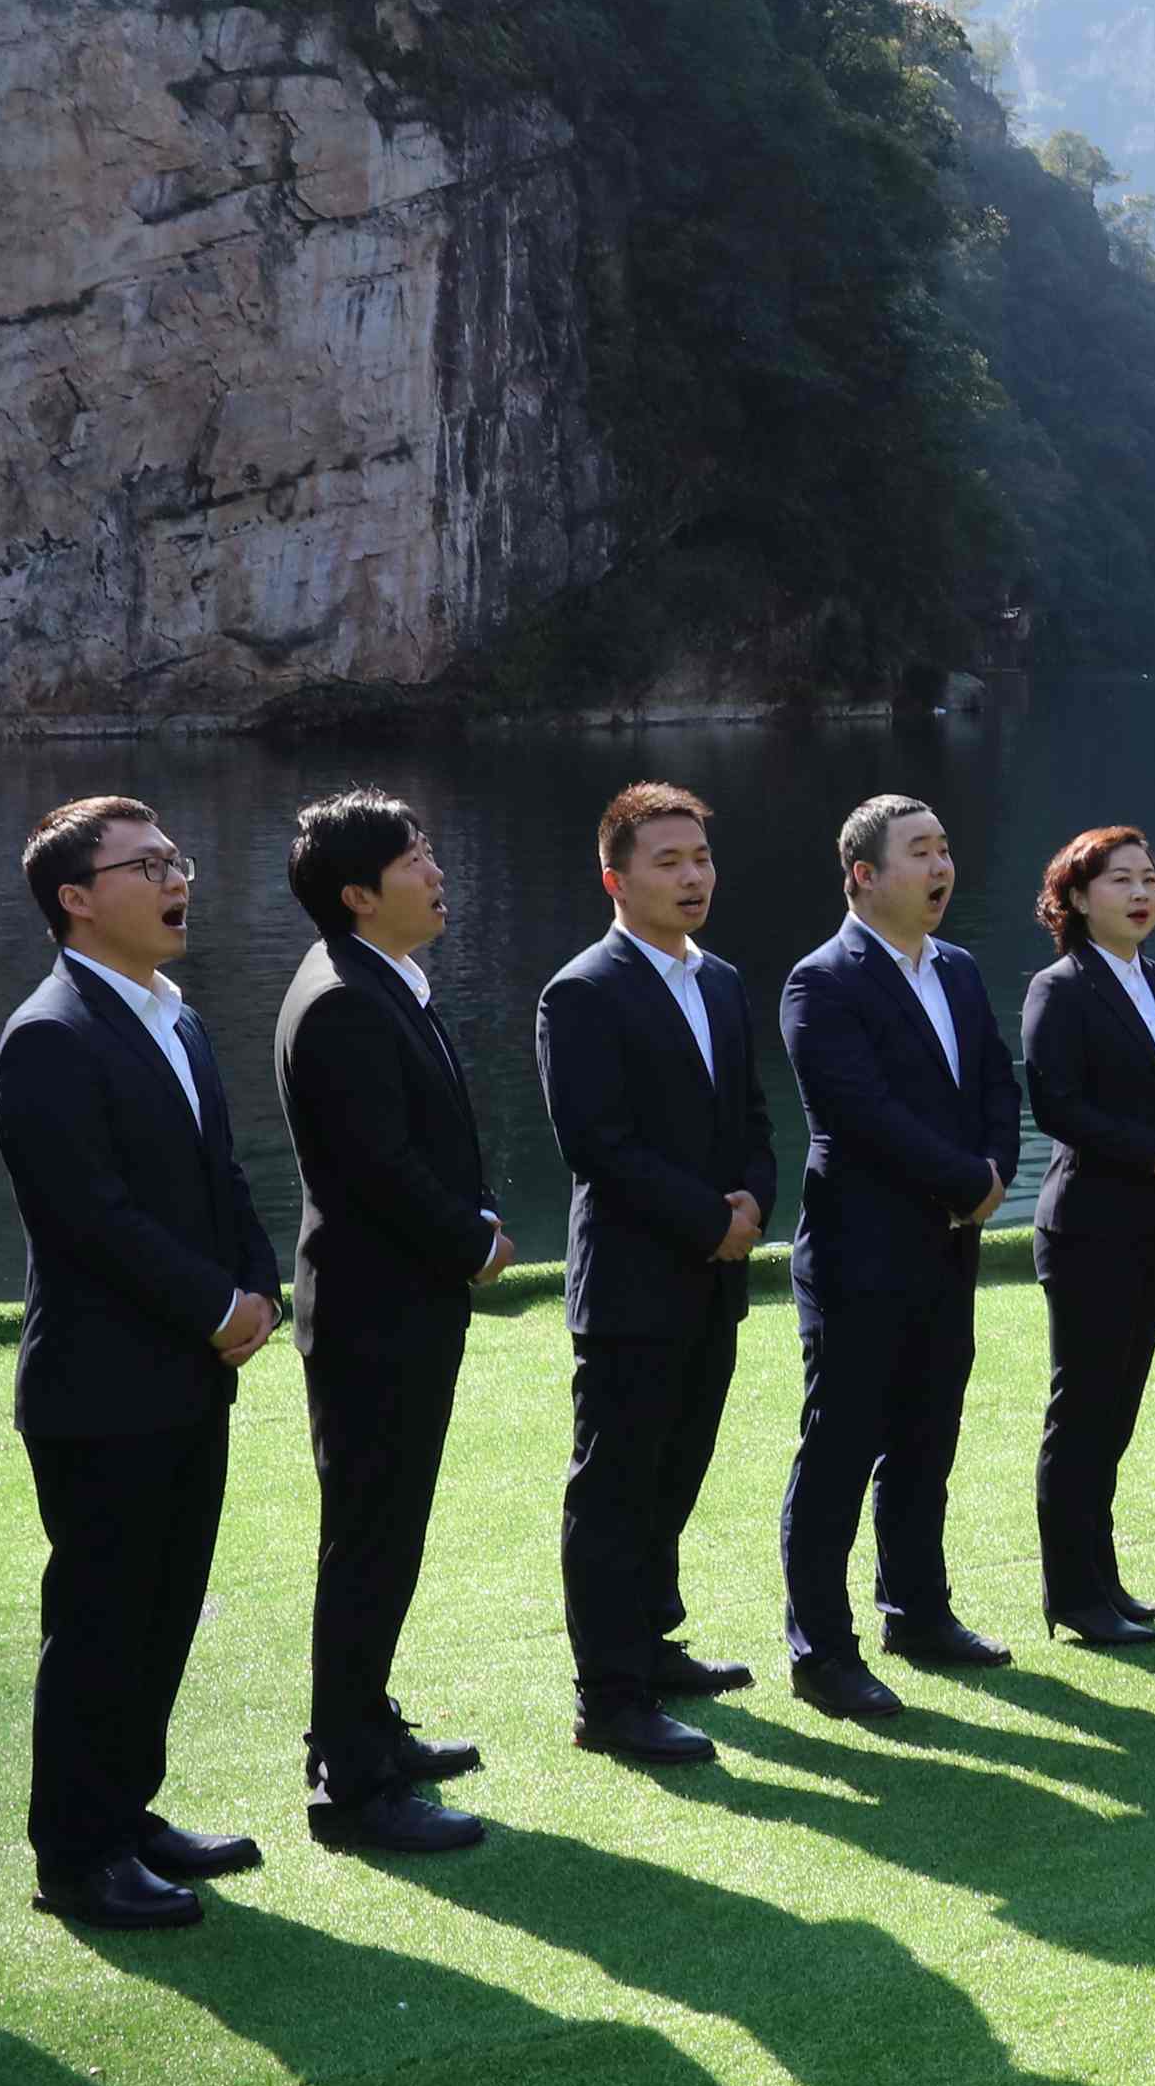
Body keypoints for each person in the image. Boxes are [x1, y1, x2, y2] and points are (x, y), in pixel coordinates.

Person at [0, 795, 289, 1930]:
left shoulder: (177, 1013)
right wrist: (214, 1301)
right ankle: (75, 1854)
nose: (179, 879)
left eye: (178, 855)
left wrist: (257, 1282)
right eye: (148, 863)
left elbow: (223, 1173)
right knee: (104, 1618)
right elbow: (89, 1216)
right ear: (76, 897)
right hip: (99, 1388)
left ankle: (126, 1810)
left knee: (163, 1607)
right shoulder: (50, 1031)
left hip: (185, 1374)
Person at [268, 791, 506, 1855]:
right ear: (359, 893)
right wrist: (472, 1239)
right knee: (367, 1538)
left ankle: (363, 1727)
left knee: (383, 1533)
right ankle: (350, 1783)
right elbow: (381, 1170)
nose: (436, 869)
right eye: (417, 856)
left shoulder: (382, 980)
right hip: (375, 1313)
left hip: (400, 1306)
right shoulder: (343, 999)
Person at [772, 789, 1026, 1719]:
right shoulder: (820, 980)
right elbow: (858, 1114)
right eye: (921, 851)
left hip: (947, 1250)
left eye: (947, 848)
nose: (942, 866)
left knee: (927, 1439)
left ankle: (916, 1612)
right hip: (859, 1254)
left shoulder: (955, 967)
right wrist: (967, 1180)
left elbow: (997, 1077)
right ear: (863, 876)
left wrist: (997, 1163)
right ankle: (821, 1652)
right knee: (840, 1449)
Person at [542, 781, 782, 1758]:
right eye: (668, 861)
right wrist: (706, 1219)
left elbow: (757, 1122)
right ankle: (609, 1699)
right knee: (615, 1491)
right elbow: (596, 1142)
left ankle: (651, 1644)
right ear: (616, 878)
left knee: (674, 1475)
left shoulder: (721, 979)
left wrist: (753, 1205)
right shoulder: (583, 989)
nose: (693, 876)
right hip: (634, 1284)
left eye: (701, 859)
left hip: (711, 1276)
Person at [1014, 820, 1155, 1649]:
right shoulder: (1059, 987)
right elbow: (1059, 1106)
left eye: (1149, 878)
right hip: (1086, 1224)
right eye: (1120, 879)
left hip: (1148, 1227)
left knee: (1116, 1414)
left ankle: (1104, 1579)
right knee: (1082, 1410)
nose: (1139, 893)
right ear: (1077, 899)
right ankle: (1072, 1594)